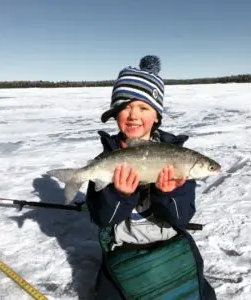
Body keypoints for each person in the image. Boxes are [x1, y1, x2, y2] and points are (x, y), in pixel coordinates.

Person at [86, 55, 217, 300]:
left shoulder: (178, 157)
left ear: (156, 116)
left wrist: (169, 194)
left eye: (143, 108)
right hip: (123, 249)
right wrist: (120, 194)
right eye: (126, 107)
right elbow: (103, 218)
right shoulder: (106, 160)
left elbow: (181, 218)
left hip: (169, 243)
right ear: (115, 113)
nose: (134, 115)